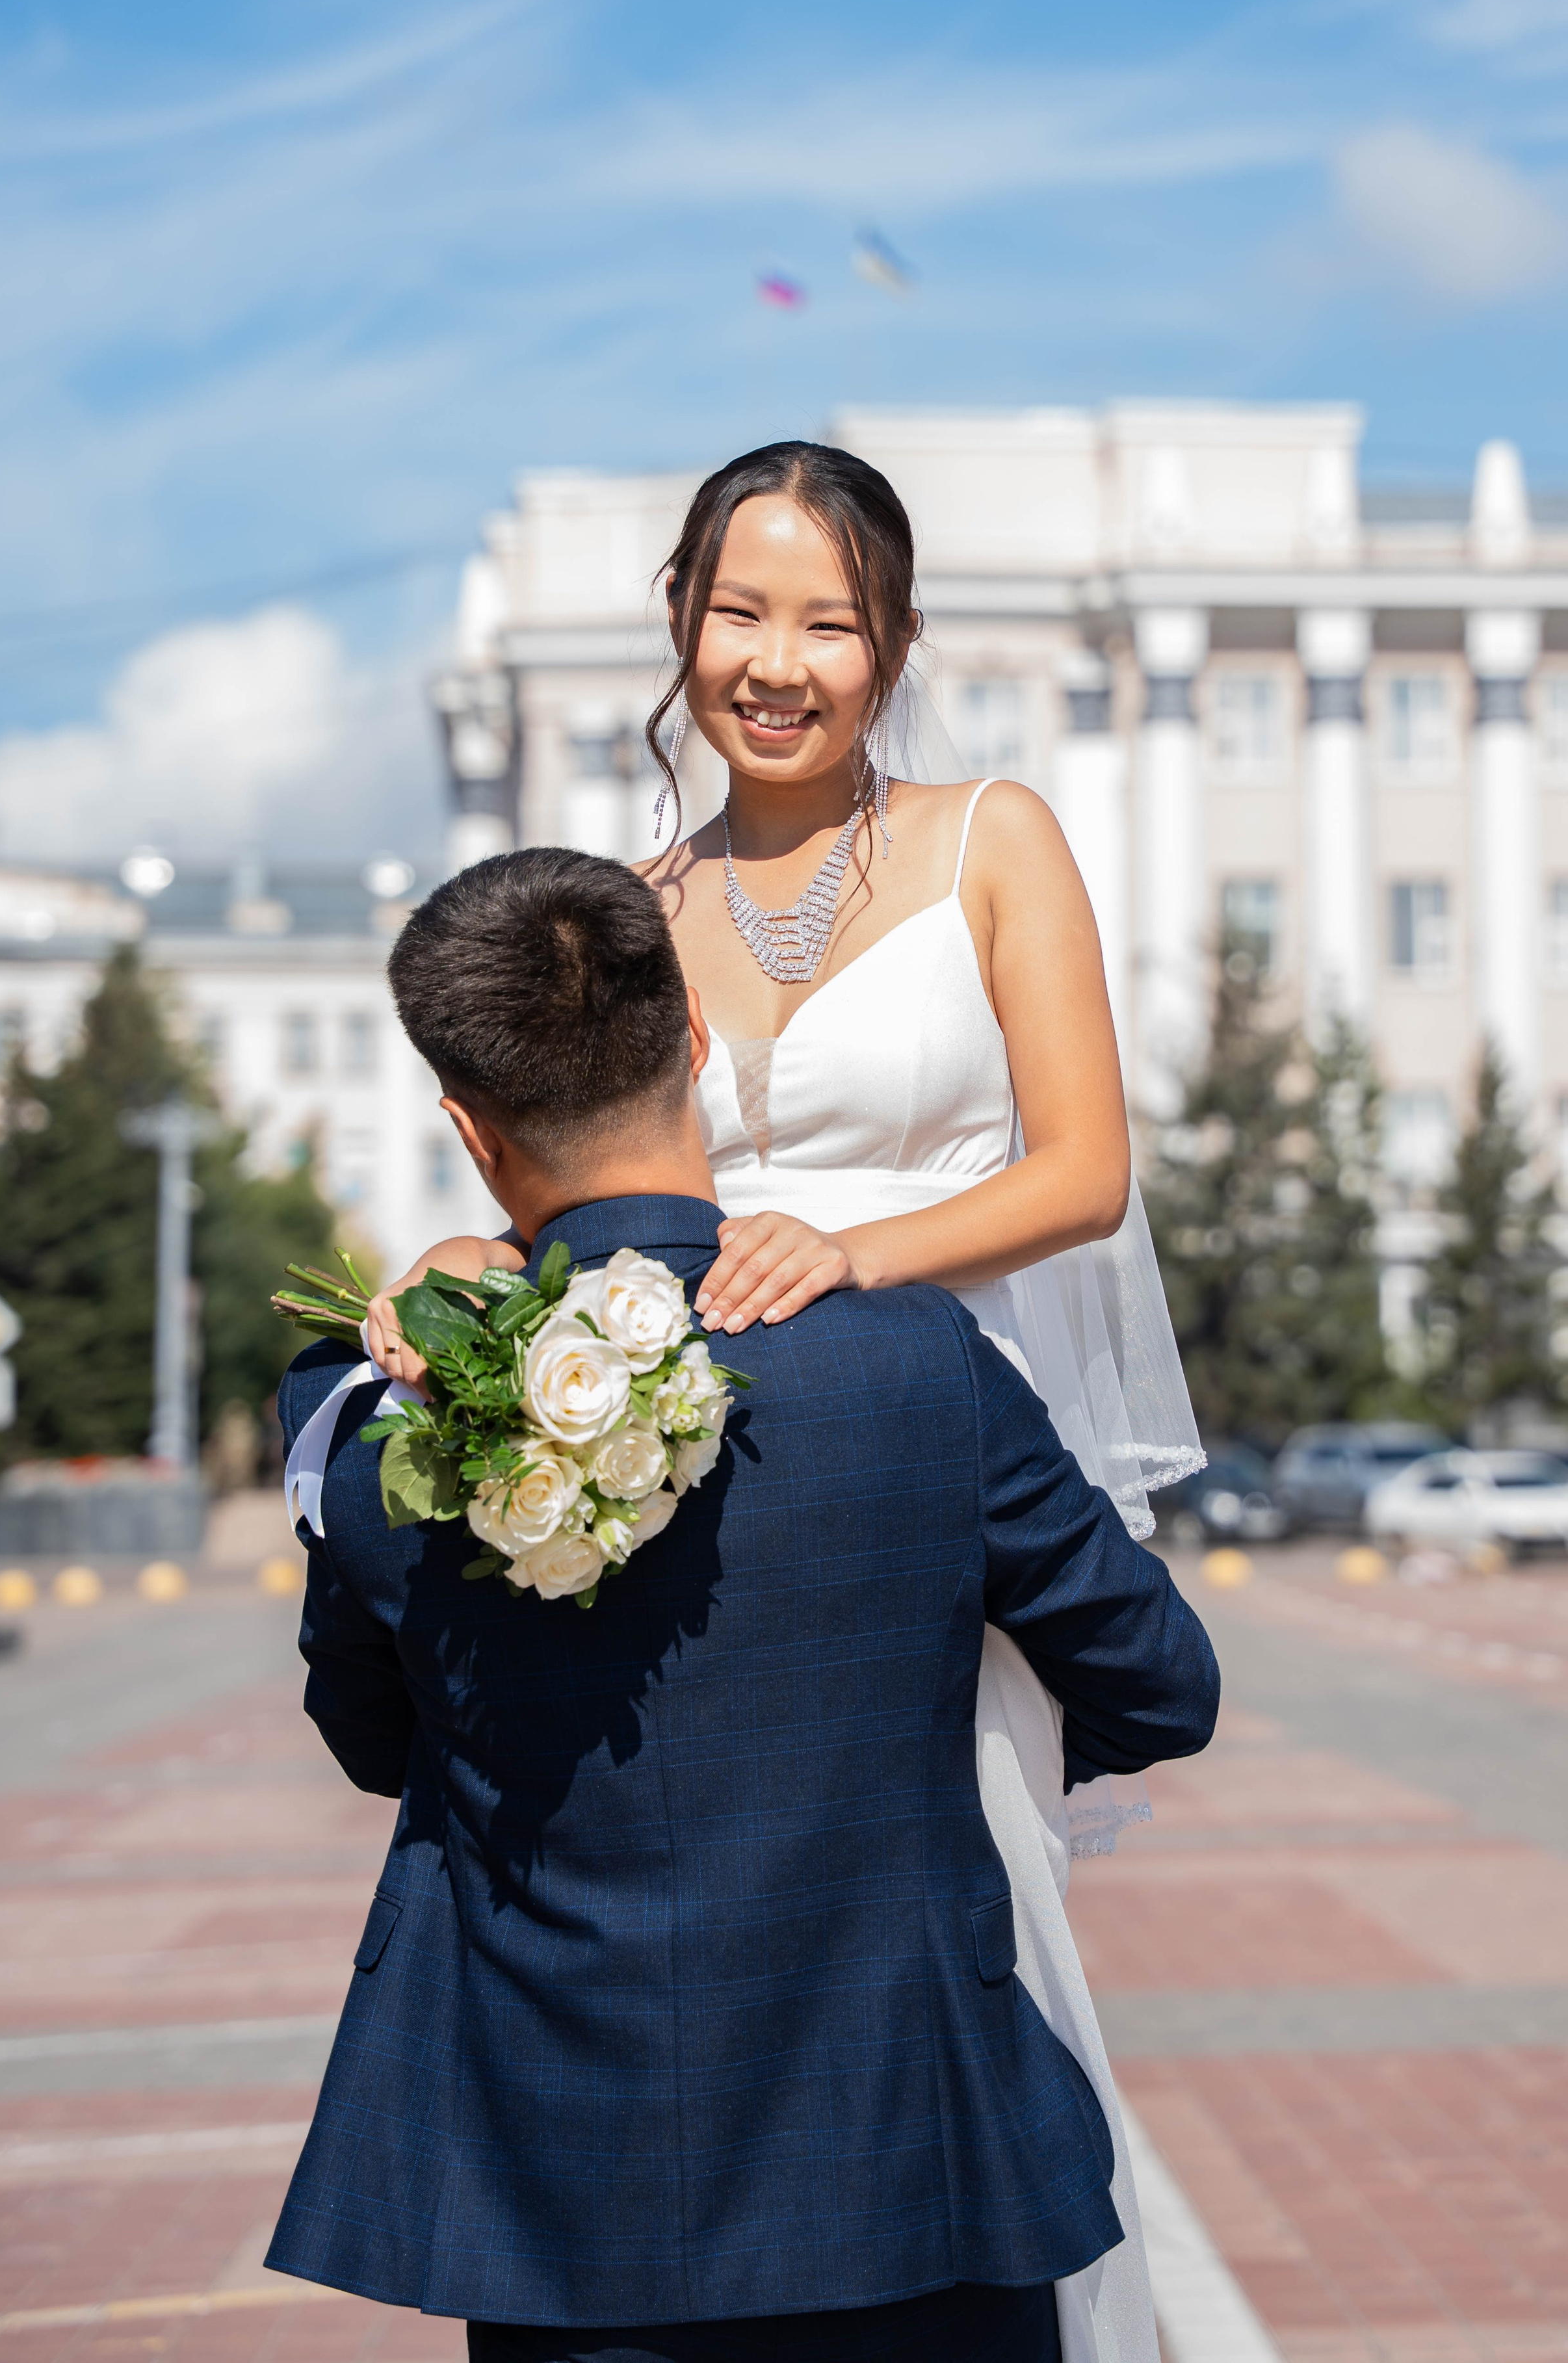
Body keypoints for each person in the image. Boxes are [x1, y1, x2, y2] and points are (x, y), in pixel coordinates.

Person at [367, 441, 1204, 2353]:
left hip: (936, 1462)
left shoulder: (993, 837)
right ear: (680, 621)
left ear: (893, 645)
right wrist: (472, 1265)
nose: (779, 659)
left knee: (955, 1914)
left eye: (829, 622)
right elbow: (609, 1182)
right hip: (723, 1478)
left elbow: (1083, 1173)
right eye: (741, 610)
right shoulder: (633, 904)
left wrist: (848, 1252)